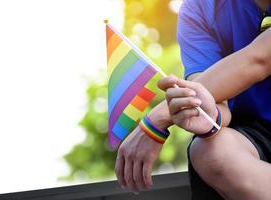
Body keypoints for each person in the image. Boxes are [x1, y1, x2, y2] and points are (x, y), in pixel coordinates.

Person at [115, 0, 271, 199]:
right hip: (254, 133)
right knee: (208, 150)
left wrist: (155, 120)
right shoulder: (198, 9)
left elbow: (260, 59)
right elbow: (212, 105)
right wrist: (205, 114)